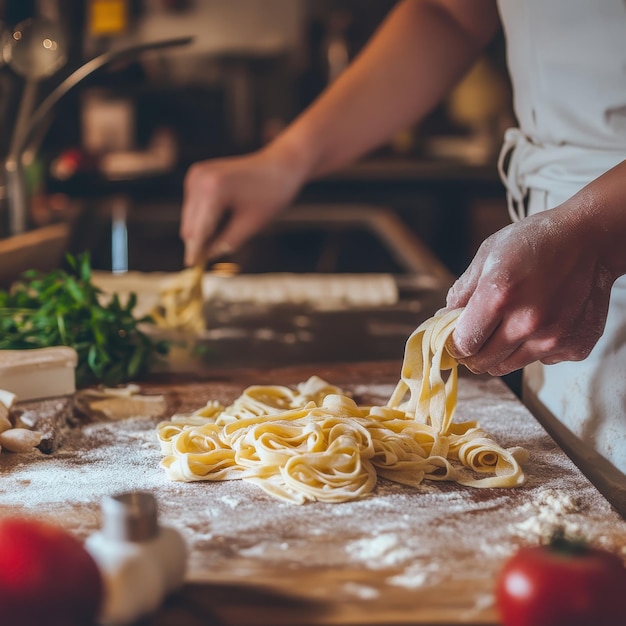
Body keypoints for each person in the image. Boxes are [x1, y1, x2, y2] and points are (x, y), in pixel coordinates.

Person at [180, 0, 626, 506]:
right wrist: (286, 160)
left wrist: (597, 231)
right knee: (583, 525)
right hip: (559, 241)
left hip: (599, 228)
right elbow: (450, 13)